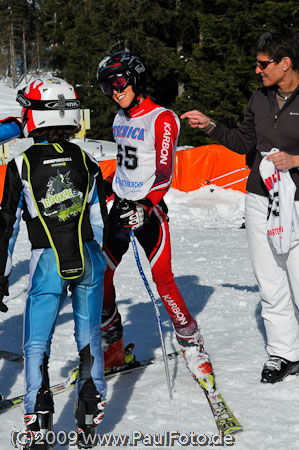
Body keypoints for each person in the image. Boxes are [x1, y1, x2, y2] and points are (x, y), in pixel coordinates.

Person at [181, 28, 299, 384]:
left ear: (285, 63)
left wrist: (294, 160)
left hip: (296, 201)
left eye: (263, 64)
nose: (258, 70)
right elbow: (243, 142)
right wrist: (210, 126)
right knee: (270, 280)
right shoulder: (258, 99)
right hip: (259, 198)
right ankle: (284, 353)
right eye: (257, 64)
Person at [0, 77, 108, 447]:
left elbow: (6, 227)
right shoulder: (87, 159)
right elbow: (99, 220)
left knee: (36, 344)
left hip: (46, 261)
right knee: (89, 338)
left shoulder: (20, 164)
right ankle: (89, 416)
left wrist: (2, 275)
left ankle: (38, 422)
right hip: (88, 257)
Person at [96, 50, 212, 379]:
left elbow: (163, 173)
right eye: (107, 87)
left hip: (149, 212)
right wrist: (108, 185)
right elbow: (127, 163)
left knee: (163, 281)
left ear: (135, 79)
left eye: (119, 82)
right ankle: (113, 346)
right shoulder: (120, 118)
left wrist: (145, 206)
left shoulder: (162, 118)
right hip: (120, 207)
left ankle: (192, 345)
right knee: (101, 278)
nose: (115, 91)